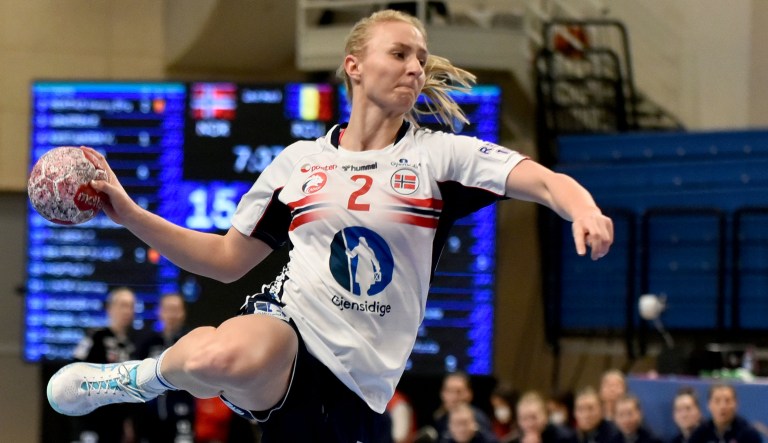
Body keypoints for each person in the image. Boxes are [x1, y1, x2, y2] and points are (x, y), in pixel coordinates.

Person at [46, 9, 614, 442]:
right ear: (355, 66)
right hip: (290, 327)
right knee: (215, 357)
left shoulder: (441, 158)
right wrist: (130, 213)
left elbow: (540, 179)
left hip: (364, 384)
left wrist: (582, 208)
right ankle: (128, 380)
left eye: (421, 57)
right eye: (399, 53)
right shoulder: (298, 163)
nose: (416, 67)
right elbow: (223, 261)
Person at [70, 286, 140, 443]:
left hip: (117, 420)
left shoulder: (131, 345)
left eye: (131, 306)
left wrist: (128, 421)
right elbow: (74, 369)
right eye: (123, 305)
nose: (127, 311)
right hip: (92, 417)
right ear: (110, 308)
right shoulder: (96, 337)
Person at [133, 292, 196, 443]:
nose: (172, 315)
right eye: (168, 309)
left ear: (183, 312)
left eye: (176, 309)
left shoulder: (191, 340)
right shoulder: (147, 342)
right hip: (150, 415)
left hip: (183, 411)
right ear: (159, 311)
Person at [433, 371, 497, 442]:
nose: (453, 397)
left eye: (458, 391)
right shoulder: (440, 418)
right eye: (449, 391)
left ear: (469, 394)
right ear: (442, 394)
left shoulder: (479, 419)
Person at [688, 384, 761, 443]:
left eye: (728, 401)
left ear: (736, 404)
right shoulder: (700, 433)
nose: (722, 406)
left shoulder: (748, 434)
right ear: (708, 404)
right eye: (717, 401)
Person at [512, 391, 576, 443]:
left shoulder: (565, 437)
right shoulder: (512, 440)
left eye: (534, 417)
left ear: (546, 417)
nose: (530, 423)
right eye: (524, 419)